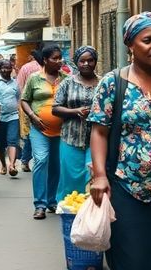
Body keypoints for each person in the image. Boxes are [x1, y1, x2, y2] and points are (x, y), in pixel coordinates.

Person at [86, 13, 151, 270]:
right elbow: (99, 132)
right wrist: (99, 176)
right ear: (131, 45)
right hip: (124, 189)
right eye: (147, 40)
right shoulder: (113, 84)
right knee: (130, 259)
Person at [21, 44, 66, 219]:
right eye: (54, 58)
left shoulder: (66, 78)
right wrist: (32, 116)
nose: (58, 61)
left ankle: (52, 201)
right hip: (39, 129)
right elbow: (24, 100)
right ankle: (39, 205)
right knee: (41, 160)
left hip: (62, 130)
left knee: (56, 165)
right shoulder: (34, 78)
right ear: (45, 60)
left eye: (60, 57)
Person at [52, 45, 99, 204]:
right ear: (76, 63)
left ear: (95, 62)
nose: (86, 64)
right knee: (70, 176)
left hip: (96, 139)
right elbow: (55, 108)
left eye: (90, 60)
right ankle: (68, 209)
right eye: (82, 61)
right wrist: (74, 111)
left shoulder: (103, 83)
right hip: (71, 137)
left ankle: (89, 211)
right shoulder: (67, 83)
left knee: (92, 174)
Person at [0, 59, 21, 177]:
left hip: (13, 116)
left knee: (12, 141)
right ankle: (3, 164)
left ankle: (12, 165)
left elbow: (18, 98)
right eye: (3, 67)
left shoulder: (15, 83)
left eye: (8, 67)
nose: (6, 70)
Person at [16, 50, 42, 173]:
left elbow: (20, 88)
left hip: (27, 106)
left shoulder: (25, 68)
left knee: (28, 135)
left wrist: (21, 106)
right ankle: (37, 159)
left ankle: (25, 161)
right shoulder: (45, 67)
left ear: (31, 57)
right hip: (43, 107)